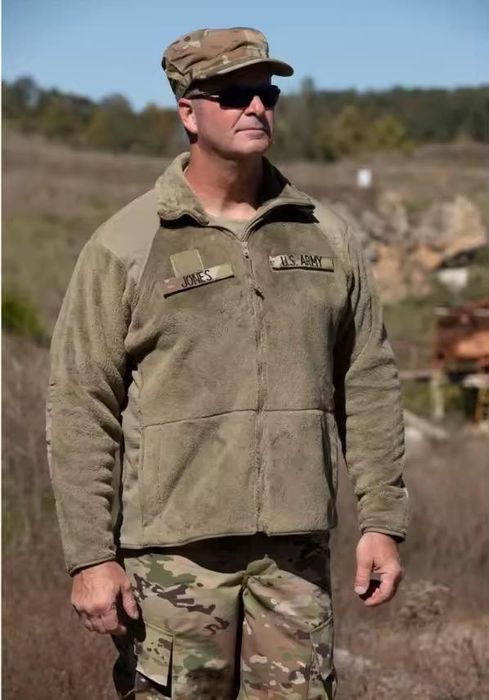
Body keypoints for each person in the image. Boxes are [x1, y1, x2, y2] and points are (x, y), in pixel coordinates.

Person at [46, 26, 408, 699]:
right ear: (188, 112)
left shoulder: (326, 237)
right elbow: (80, 403)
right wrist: (90, 556)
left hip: (294, 558)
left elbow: (368, 383)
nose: (257, 107)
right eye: (235, 95)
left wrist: (381, 521)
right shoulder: (126, 245)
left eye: (267, 93)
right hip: (172, 562)